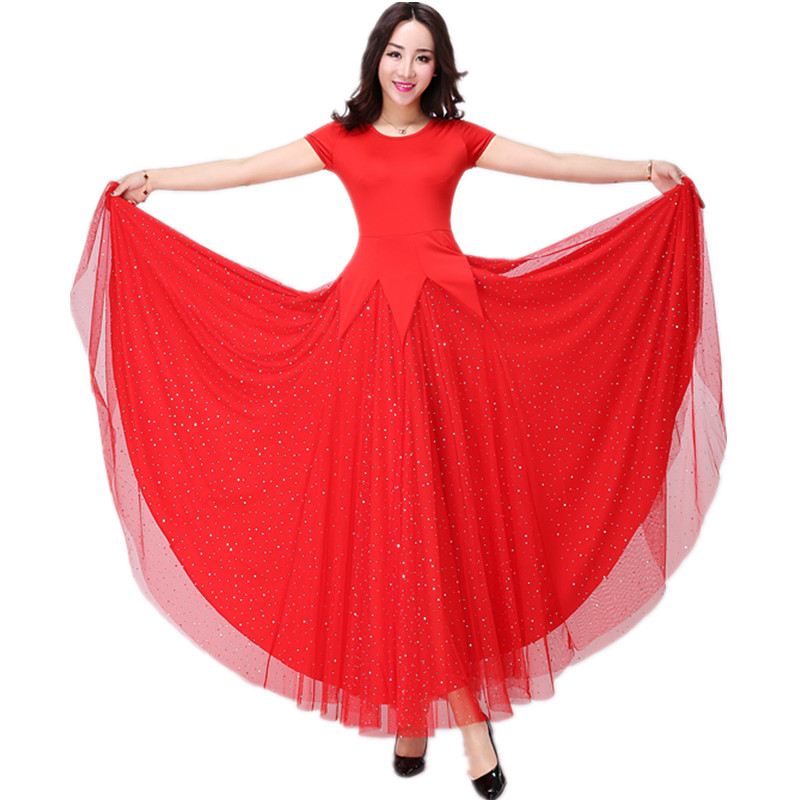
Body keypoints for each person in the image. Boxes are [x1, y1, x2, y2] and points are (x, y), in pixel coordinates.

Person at [79, 3, 723, 799]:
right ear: (375, 59)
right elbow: (245, 169)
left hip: (450, 341)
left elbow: (553, 163)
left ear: (438, 67)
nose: (407, 70)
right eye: (395, 53)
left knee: (443, 516)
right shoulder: (341, 140)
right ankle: (455, 719)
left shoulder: (458, 138)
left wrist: (642, 168)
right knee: (395, 520)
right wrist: (157, 179)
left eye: (422, 56)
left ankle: (430, 715)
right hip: (367, 343)